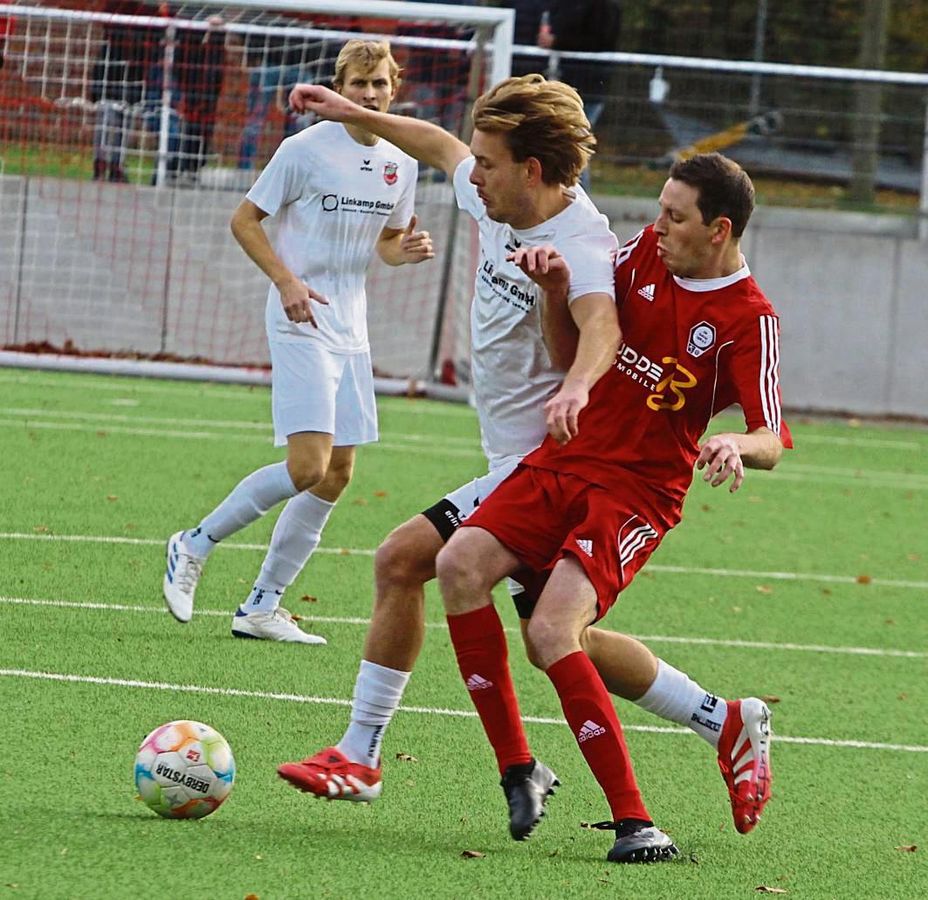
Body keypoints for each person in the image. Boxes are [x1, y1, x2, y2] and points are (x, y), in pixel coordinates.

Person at [278, 76, 770, 858]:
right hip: (541, 464)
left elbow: (600, 327)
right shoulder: (494, 197)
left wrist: (575, 386)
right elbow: (436, 145)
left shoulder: (587, 244)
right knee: (563, 635)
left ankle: (369, 756)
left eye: (488, 162)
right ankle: (718, 717)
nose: (470, 172)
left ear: (530, 170)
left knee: (409, 561)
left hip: (551, 464)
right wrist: (352, 113)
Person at [435, 151, 791, 862]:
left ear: (718, 230)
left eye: (674, 216)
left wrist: (735, 445)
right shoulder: (641, 259)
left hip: (634, 494)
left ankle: (638, 823)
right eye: (659, 209)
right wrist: (556, 288)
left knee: (550, 634)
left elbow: (774, 434)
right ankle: (521, 769)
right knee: (458, 564)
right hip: (565, 459)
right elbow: (575, 349)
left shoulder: (749, 319)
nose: (655, 225)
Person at [162, 40, 433, 642]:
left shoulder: (401, 163)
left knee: (337, 472)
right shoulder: (304, 149)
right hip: (299, 317)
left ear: (395, 90)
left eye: (380, 85)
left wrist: (403, 251)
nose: (369, 95)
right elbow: (243, 220)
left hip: (351, 327)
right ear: (339, 86)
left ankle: (262, 606)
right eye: (359, 84)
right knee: (307, 465)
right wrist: (286, 281)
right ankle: (193, 543)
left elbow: (386, 242)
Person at [537, 0, 622, 188]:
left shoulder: (604, 6)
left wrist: (558, 42)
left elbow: (601, 39)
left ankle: (579, 201)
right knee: (565, 145)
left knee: (574, 145)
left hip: (587, 88)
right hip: (564, 84)